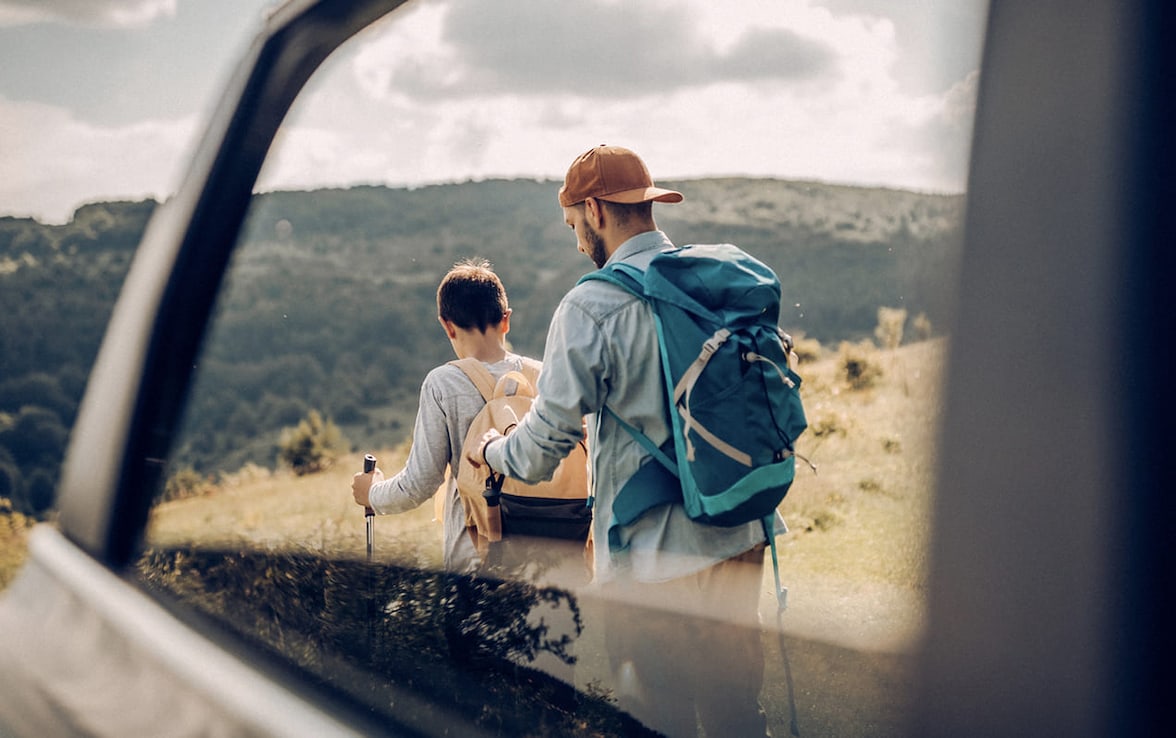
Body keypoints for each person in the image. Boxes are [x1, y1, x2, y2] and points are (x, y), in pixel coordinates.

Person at [470, 145, 772, 737]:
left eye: (573, 226)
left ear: (594, 210)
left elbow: (540, 450)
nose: (577, 242)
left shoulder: (591, 305)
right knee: (736, 712)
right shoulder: (715, 282)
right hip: (741, 528)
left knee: (657, 719)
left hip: (654, 556)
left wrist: (492, 450)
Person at [351, 259, 539, 573]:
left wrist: (371, 492)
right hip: (556, 562)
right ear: (506, 320)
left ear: (447, 325)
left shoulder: (444, 383)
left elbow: (419, 484)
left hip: (477, 564)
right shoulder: (542, 376)